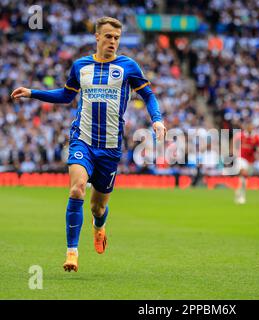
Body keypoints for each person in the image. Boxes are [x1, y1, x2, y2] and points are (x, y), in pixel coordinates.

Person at [11, 17, 166, 272]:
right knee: (77, 190)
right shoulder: (81, 66)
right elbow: (66, 95)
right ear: (97, 37)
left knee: (98, 206)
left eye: (116, 38)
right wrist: (32, 92)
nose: (113, 42)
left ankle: (99, 226)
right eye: (108, 37)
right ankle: (72, 252)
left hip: (110, 147)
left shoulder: (128, 66)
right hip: (82, 139)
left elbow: (147, 94)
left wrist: (157, 120)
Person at [233, 123, 259, 204]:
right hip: (241, 158)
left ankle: (240, 192)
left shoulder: (257, 137)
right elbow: (234, 143)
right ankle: (241, 196)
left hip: (250, 161)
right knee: (243, 173)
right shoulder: (241, 135)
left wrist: (256, 148)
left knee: (244, 179)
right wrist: (234, 153)